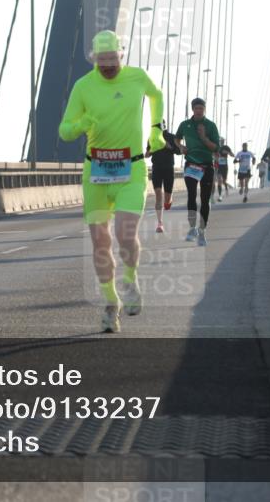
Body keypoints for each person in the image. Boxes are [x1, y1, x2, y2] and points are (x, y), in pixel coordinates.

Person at [59, 30, 165, 333]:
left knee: (125, 234)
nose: (107, 66)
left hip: (131, 169)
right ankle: (110, 303)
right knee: (100, 242)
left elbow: (156, 95)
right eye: (101, 60)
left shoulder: (137, 77)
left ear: (121, 55)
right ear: (94, 59)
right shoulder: (83, 86)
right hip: (96, 173)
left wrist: (156, 130)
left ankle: (130, 280)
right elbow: (64, 130)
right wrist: (81, 125)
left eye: (112, 59)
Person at [174, 98, 220, 247]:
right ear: (192, 109)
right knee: (191, 195)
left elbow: (216, 148)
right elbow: (176, 138)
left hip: (206, 165)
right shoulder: (185, 124)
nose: (199, 111)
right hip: (191, 164)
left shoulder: (211, 125)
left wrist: (204, 138)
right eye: (196, 108)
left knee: (205, 199)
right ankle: (192, 228)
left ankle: (202, 231)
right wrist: (181, 147)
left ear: (204, 109)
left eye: (201, 108)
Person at [147, 121, 181, 233]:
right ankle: (160, 223)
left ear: (164, 126)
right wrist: (150, 151)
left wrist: (169, 146)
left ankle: (169, 200)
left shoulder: (171, 137)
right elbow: (147, 154)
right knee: (158, 194)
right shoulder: (152, 138)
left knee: (167, 199)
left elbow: (179, 151)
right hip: (156, 168)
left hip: (168, 169)